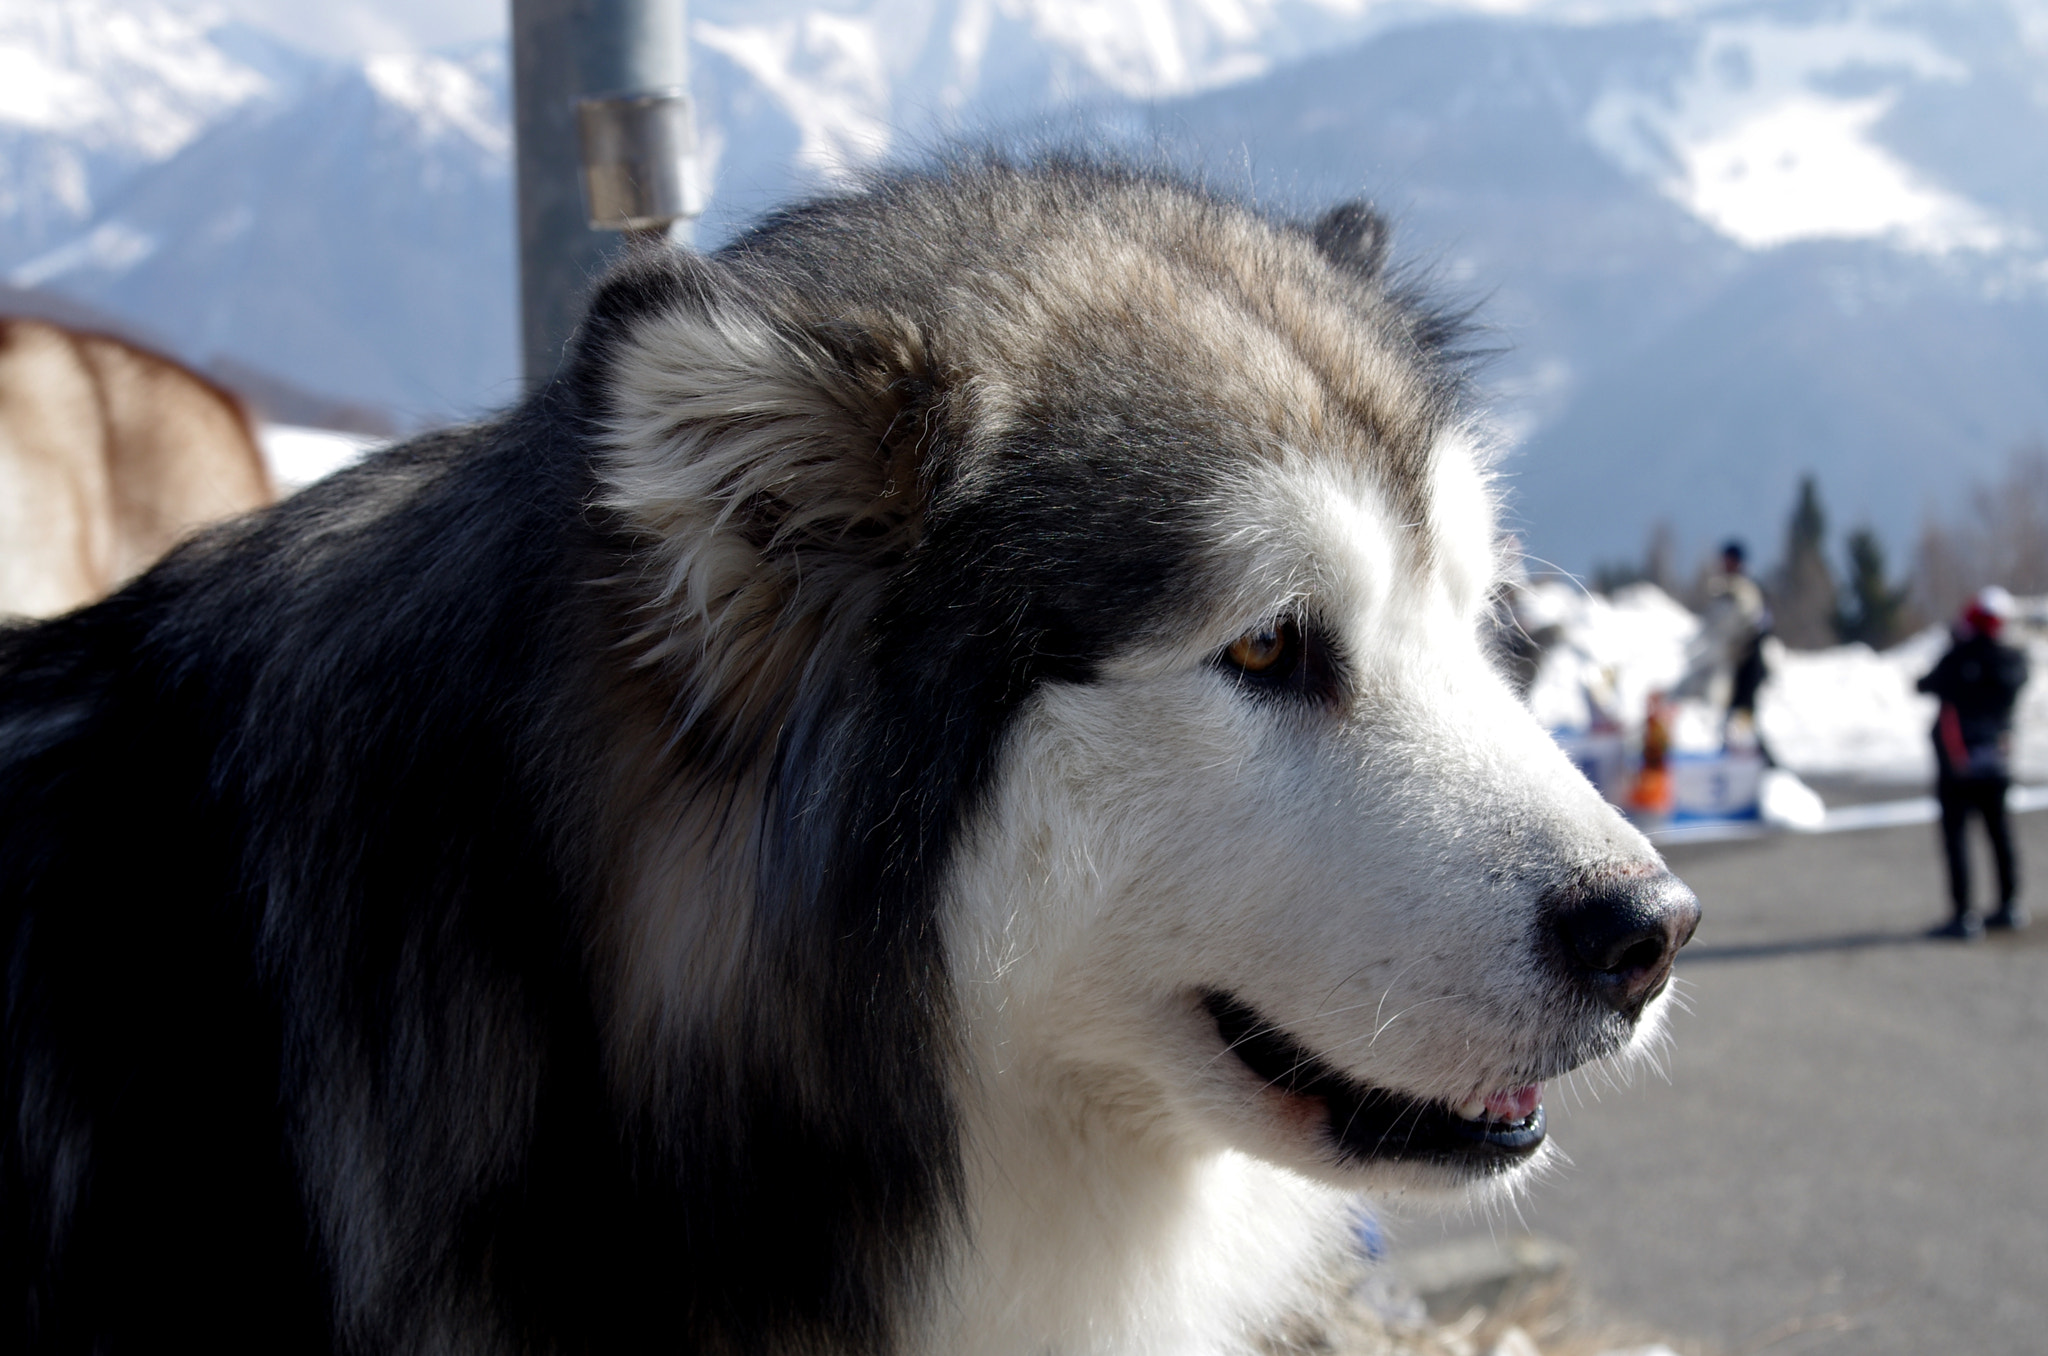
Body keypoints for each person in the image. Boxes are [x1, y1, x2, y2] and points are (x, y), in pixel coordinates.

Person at [1917, 586, 2030, 938]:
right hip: (1996, 760)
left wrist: (1957, 646)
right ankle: (2008, 905)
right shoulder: (2012, 659)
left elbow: (1925, 684)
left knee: (1958, 838)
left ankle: (1964, 914)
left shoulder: (1960, 658)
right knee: (1999, 834)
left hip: (1958, 763)